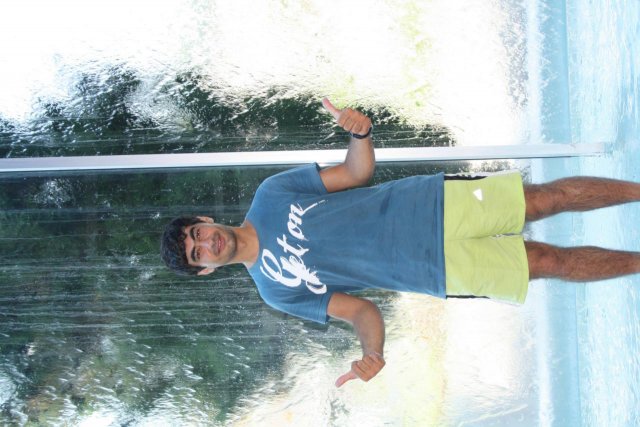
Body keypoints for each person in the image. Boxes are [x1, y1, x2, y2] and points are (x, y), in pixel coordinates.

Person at [161, 98, 640, 387]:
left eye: (196, 234)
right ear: (205, 270)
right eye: (196, 253)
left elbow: (355, 173)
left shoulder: (271, 194)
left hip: (431, 203)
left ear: (204, 220)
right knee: (550, 261)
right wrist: (373, 354)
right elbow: (361, 312)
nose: (205, 243)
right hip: (435, 270)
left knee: (545, 199)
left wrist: (361, 133)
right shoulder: (275, 290)